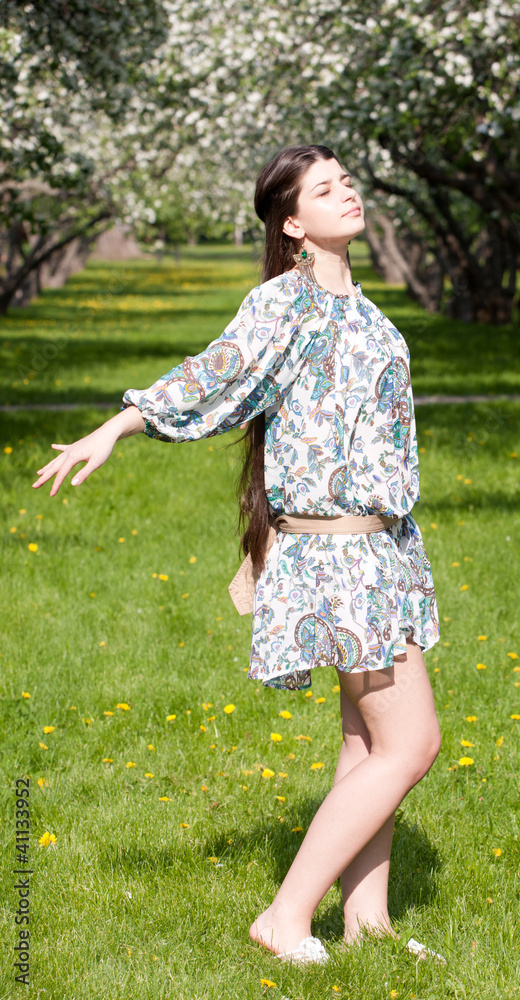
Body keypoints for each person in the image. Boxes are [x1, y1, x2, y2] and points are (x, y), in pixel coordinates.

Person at [32, 144, 443, 966]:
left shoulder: (367, 312)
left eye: (348, 181)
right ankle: (284, 917)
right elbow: (210, 379)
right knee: (412, 744)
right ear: (293, 223)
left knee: (368, 746)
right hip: (334, 556)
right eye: (324, 190)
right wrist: (119, 425)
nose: (347, 194)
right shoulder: (281, 304)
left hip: (378, 552)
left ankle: (369, 925)